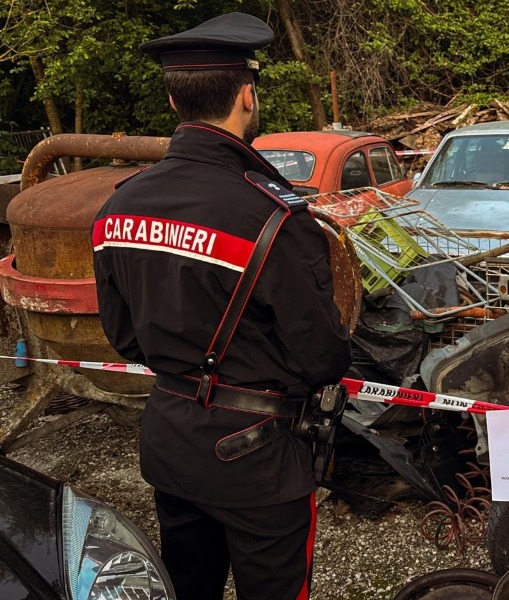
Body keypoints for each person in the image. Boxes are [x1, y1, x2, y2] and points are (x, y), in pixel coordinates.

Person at [91, 12, 352, 600]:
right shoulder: (273, 218)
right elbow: (323, 357)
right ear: (246, 95)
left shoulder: (117, 208)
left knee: (189, 587)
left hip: (171, 443)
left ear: (170, 98)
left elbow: (124, 338)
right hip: (260, 461)